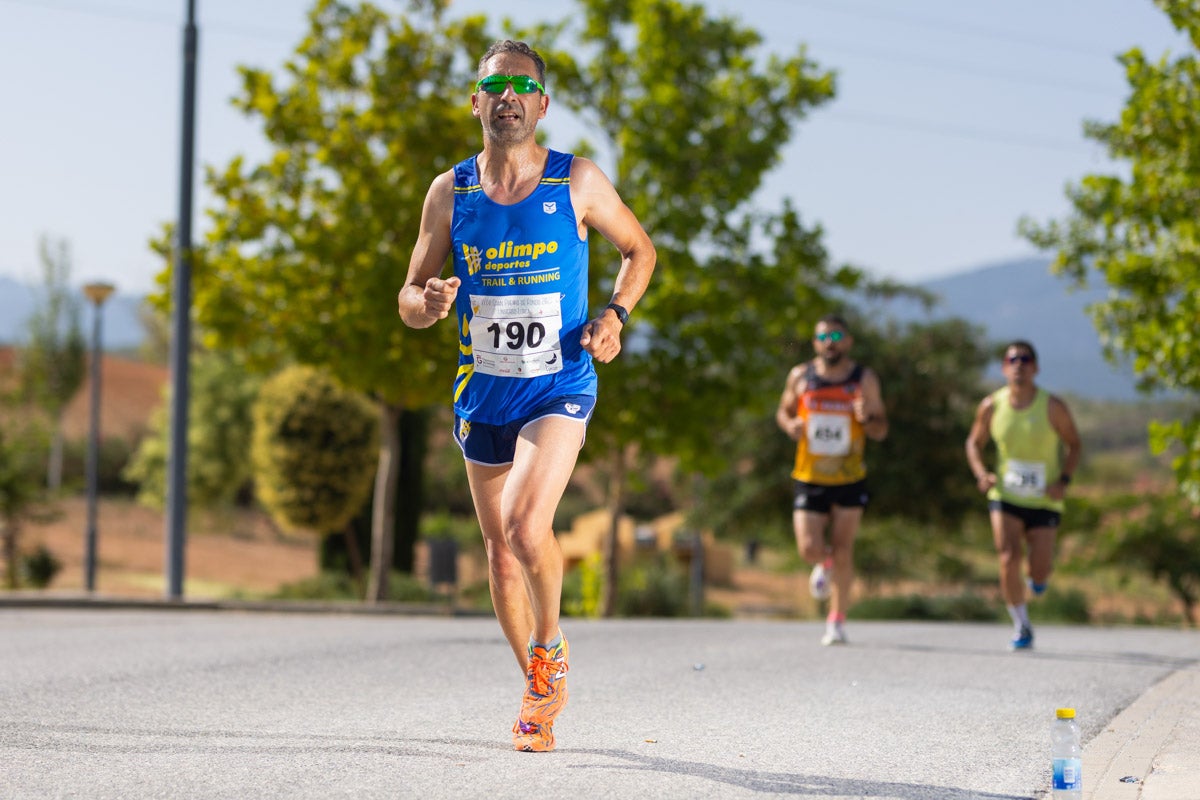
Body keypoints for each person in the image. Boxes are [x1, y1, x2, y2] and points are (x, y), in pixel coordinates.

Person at [398, 40, 655, 752]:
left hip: (559, 382)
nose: (507, 96)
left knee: (521, 524)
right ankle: (541, 685)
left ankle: (549, 642)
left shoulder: (576, 181)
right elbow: (409, 293)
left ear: (541, 105)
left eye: (522, 86)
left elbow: (641, 250)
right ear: (475, 100)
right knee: (499, 553)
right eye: (494, 85)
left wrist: (615, 315)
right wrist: (427, 302)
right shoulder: (450, 192)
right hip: (482, 392)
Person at [775, 314, 888, 646]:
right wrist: (790, 425)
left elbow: (882, 430)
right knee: (808, 547)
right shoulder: (801, 376)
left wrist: (866, 418)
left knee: (844, 549)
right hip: (809, 475)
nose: (830, 342)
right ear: (815, 343)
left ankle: (836, 621)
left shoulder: (863, 380)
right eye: (823, 336)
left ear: (848, 341)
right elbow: (783, 411)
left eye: (836, 335)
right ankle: (821, 563)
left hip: (850, 476)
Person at [965, 340, 1082, 651]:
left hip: (1044, 497)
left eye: (1025, 359)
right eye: (1012, 359)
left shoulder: (1052, 406)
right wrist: (981, 473)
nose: (1019, 365)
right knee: (1007, 556)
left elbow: (1075, 444)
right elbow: (973, 443)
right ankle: (1021, 623)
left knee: (1039, 569)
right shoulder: (991, 405)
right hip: (1005, 494)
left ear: (1036, 367)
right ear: (1004, 368)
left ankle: (1037, 580)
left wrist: (1064, 481)